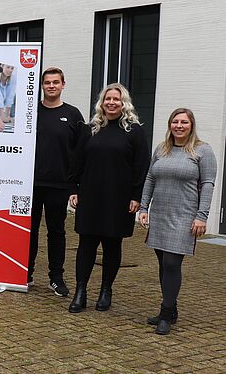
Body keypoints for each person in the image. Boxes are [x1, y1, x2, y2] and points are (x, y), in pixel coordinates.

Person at [67, 83, 150, 313]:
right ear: (101, 102)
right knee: (86, 244)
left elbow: (141, 166)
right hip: (90, 196)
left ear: (124, 103)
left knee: (112, 244)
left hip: (119, 198)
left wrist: (136, 196)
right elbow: (76, 162)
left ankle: (106, 290)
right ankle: (80, 292)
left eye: (117, 99)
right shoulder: (90, 129)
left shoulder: (135, 131)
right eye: (107, 99)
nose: (112, 103)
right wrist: (73, 189)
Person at [139, 108, 217, 334]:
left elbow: (208, 184)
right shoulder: (162, 149)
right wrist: (144, 207)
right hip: (160, 213)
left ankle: (166, 313)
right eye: (175, 121)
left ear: (191, 125)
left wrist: (201, 217)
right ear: (170, 124)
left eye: (184, 122)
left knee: (172, 263)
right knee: (163, 263)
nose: (179, 126)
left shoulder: (202, 151)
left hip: (184, 216)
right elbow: (150, 177)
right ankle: (171, 307)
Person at [29, 67, 84, 296]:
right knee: (28, 231)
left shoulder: (72, 115)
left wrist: (75, 186)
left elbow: (81, 152)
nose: (51, 86)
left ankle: (56, 278)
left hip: (59, 185)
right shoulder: (31, 112)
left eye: (55, 82)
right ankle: (26, 273)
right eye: (47, 83)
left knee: (56, 232)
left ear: (63, 85)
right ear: (41, 86)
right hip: (30, 184)